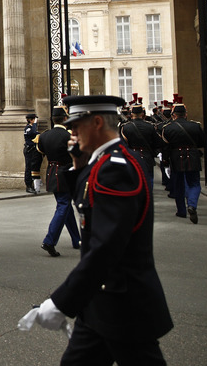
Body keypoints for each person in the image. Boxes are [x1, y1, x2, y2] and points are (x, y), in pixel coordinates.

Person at [21, 95, 172, 365]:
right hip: (102, 300)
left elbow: (105, 247)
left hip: (124, 304)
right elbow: (89, 210)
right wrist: (78, 166)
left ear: (98, 122)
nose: (72, 132)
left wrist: (60, 302)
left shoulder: (115, 169)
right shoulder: (103, 163)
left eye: (77, 126)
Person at [36, 106, 81, 257]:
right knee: (63, 206)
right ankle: (49, 241)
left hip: (52, 173)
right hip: (67, 173)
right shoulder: (68, 136)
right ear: (65, 118)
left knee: (65, 206)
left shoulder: (44, 136)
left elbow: (41, 153)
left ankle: (77, 240)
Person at [162, 101, 207, 224]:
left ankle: (181, 211)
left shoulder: (168, 128)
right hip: (192, 155)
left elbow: (166, 147)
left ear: (174, 115)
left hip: (176, 157)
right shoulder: (195, 126)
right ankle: (192, 205)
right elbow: (203, 142)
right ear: (185, 114)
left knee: (178, 185)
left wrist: (165, 160)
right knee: (194, 183)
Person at [23, 113, 42, 194]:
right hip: (29, 150)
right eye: (34, 119)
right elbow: (33, 132)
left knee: (33, 167)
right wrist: (34, 124)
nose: (35, 121)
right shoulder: (28, 128)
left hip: (33, 150)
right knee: (28, 168)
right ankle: (28, 186)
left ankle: (34, 184)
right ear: (30, 120)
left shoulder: (32, 128)